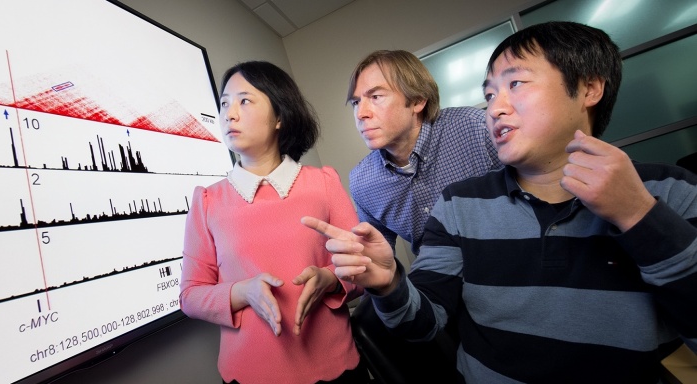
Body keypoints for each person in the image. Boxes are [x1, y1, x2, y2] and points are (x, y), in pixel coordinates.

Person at [304, 21, 697, 383]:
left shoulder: (671, 192)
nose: (495, 107)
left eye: (516, 85)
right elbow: (392, 276)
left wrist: (639, 217)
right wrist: (384, 282)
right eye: (489, 94)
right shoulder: (439, 200)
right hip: (449, 297)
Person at [179, 61, 368, 384]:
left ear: (279, 116)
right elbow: (191, 295)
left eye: (244, 101)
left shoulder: (323, 183)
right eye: (225, 104)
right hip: (248, 374)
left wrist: (330, 279)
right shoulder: (207, 201)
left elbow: (361, 270)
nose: (230, 114)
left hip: (337, 369)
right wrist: (243, 292)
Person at [347, 49, 502, 257]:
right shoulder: (363, 181)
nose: (361, 113)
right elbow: (376, 254)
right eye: (356, 102)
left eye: (375, 96)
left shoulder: (476, 128)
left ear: (418, 101)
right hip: (440, 283)